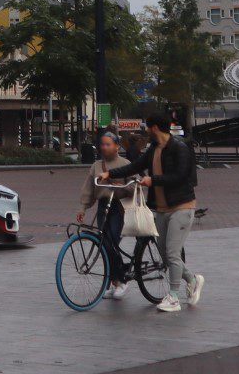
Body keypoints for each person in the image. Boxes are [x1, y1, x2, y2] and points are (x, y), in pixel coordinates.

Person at [100, 112, 204, 313]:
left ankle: (174, 297)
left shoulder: (179, 148)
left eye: (148, 127)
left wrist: (153, 180)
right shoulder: (154, 149)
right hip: (162, 209)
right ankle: (192, 280)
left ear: (155, 127)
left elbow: (181, 176)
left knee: (172, 252)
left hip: (182, 207)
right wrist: (110, 174)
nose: (146, 130)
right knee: (165, 255)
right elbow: (135, 166)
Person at [78, 132, 137, 300]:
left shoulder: (125, 164)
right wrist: (82, 208)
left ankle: (122, 280)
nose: (104, 147)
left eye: (108, 144)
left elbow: (134, 185)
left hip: (119, 207)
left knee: (111, 242)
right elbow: (88, 188)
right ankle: (115, 282)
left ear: (117, 146)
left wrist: (122, 186)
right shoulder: (96, 166)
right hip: (104, 206)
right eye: (102, 144)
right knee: (104, 245)